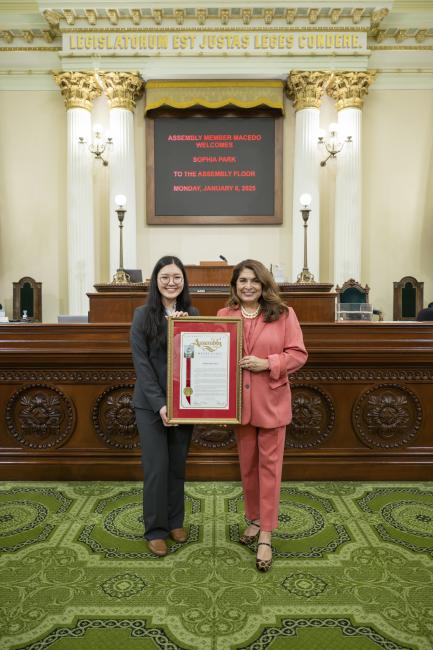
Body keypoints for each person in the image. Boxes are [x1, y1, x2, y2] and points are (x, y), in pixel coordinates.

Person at [217, 259, 307, 572]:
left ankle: (266, 533)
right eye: (242, 281)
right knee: (248, 467)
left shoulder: (284, 314)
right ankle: (253, 519)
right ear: (234, 285)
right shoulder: (224, 315)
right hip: (238, 407)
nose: (248, 286)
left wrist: (267, 363)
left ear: (264, 284)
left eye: (254, 281)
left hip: (271, 402)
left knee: (269, 468)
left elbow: (298, 354)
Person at [130, 256, 198, 557]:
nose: (172, 282)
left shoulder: (192, 314)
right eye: (165, 276)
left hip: (184, 404)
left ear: (184, 281)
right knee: (156, 468)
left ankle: (175, 521)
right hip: (150, 407)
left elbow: (197, 359)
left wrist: (184, 330)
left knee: (176, 466)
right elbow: (142, 366)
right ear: (155, 280)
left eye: (177, 277)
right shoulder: (142, 315)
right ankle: (155, 529)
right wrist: (160, 405)